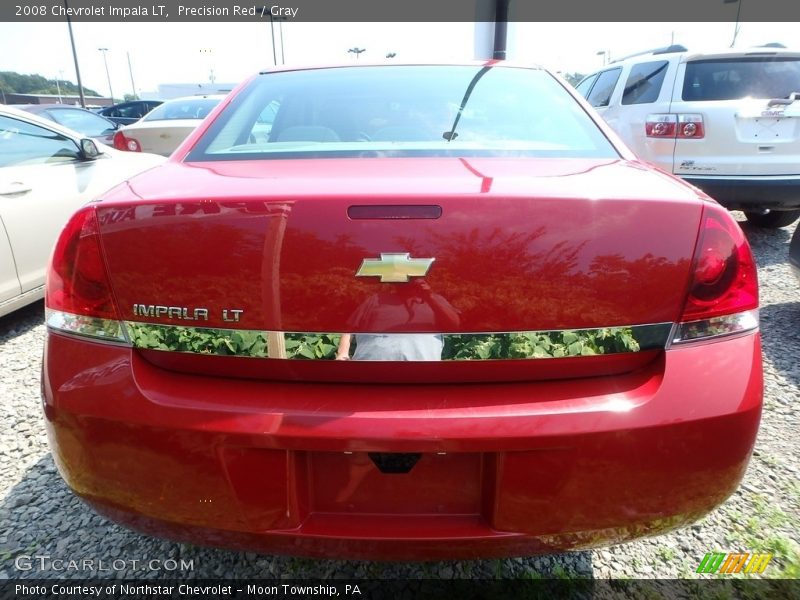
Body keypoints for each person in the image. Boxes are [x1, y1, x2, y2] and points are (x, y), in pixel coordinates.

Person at [335, 280, 460, 361]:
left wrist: (429, 296)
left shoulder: (435, 301)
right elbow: (350, 328)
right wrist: (343, 353)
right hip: (371, 374)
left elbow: (455, 325)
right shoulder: (376, 299)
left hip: (422, 376)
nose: (409, 282)